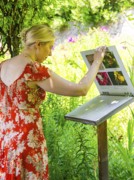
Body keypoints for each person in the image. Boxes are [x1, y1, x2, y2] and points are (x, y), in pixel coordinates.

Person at [0, 24, 106, 180]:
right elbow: (80, 89)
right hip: (28, 143)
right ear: (37, 44)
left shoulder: (3, 66)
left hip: (6, 141)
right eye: (49, 47)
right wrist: (96, 62)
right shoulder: (33, 70)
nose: (50, 53)